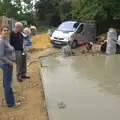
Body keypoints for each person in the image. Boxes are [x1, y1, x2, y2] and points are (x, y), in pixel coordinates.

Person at [0, 25, 20, 107]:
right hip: (6, 64)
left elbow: (9, 50)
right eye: (4, 30)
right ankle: (11, 103)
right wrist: (9, 62)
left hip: (8, 64)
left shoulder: (5, 40)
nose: (6, 32)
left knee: (7, 83)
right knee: (7, 84)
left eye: (7, 30)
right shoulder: (1, 41)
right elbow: (0, 55)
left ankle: (9, 95)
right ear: (1, 31)